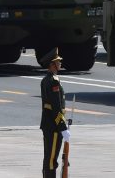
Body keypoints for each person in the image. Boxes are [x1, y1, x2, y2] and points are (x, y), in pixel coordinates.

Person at [39, 48, 70, 178]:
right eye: (58, 62)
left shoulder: (46, 79)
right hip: (53, 126)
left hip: (48, 124)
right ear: (52, 64)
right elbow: (56, 107)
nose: (60, 63)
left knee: (49, 157)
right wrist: (62, 127)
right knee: (52, 159)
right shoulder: (53, 81)